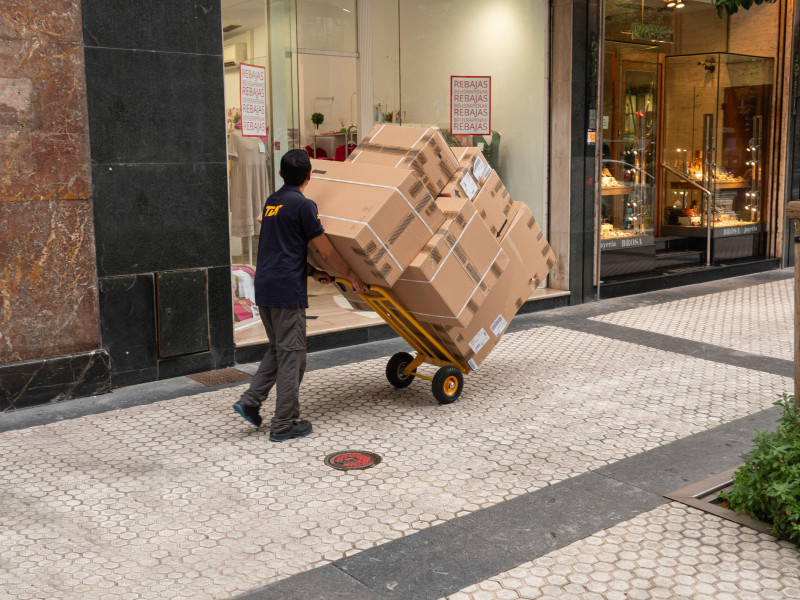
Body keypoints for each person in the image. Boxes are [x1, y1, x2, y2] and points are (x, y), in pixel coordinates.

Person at [233, 149, 368, 442]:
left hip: (266, 286)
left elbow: (280, 246)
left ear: (280, 174)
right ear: (309, 176)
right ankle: (283, 424)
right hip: (285, 292)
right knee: (293, 356)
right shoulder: (304, 205)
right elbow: (326, 250)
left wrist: (310, 272)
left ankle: (250, 401)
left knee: (278, 349)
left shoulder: (272, 202)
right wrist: (352, 276)